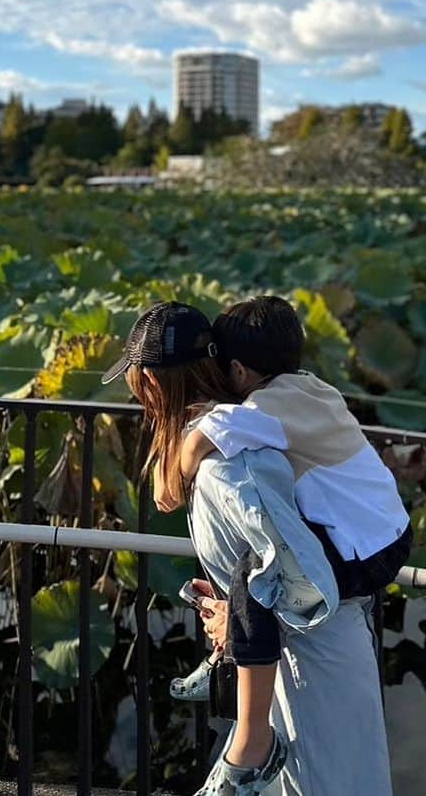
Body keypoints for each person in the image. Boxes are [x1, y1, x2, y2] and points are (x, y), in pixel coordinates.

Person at [101, 300, 394, 796]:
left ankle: (251, 740)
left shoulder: (229, 462)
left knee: (330, 782)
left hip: (314, 648)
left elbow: (272, 571)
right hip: (308, 638)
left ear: (150, 383)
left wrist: (236, 624)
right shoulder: (257, 422)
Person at [170, 296, 412, 715]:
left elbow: (197, 445)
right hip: (391, 534)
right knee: (263, 570)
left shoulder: (264, 408)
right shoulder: (315, 388)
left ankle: (236, 688)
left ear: (239, 370)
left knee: (257, 577)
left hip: (361, 557)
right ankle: (225, 651)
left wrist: (171, 479)